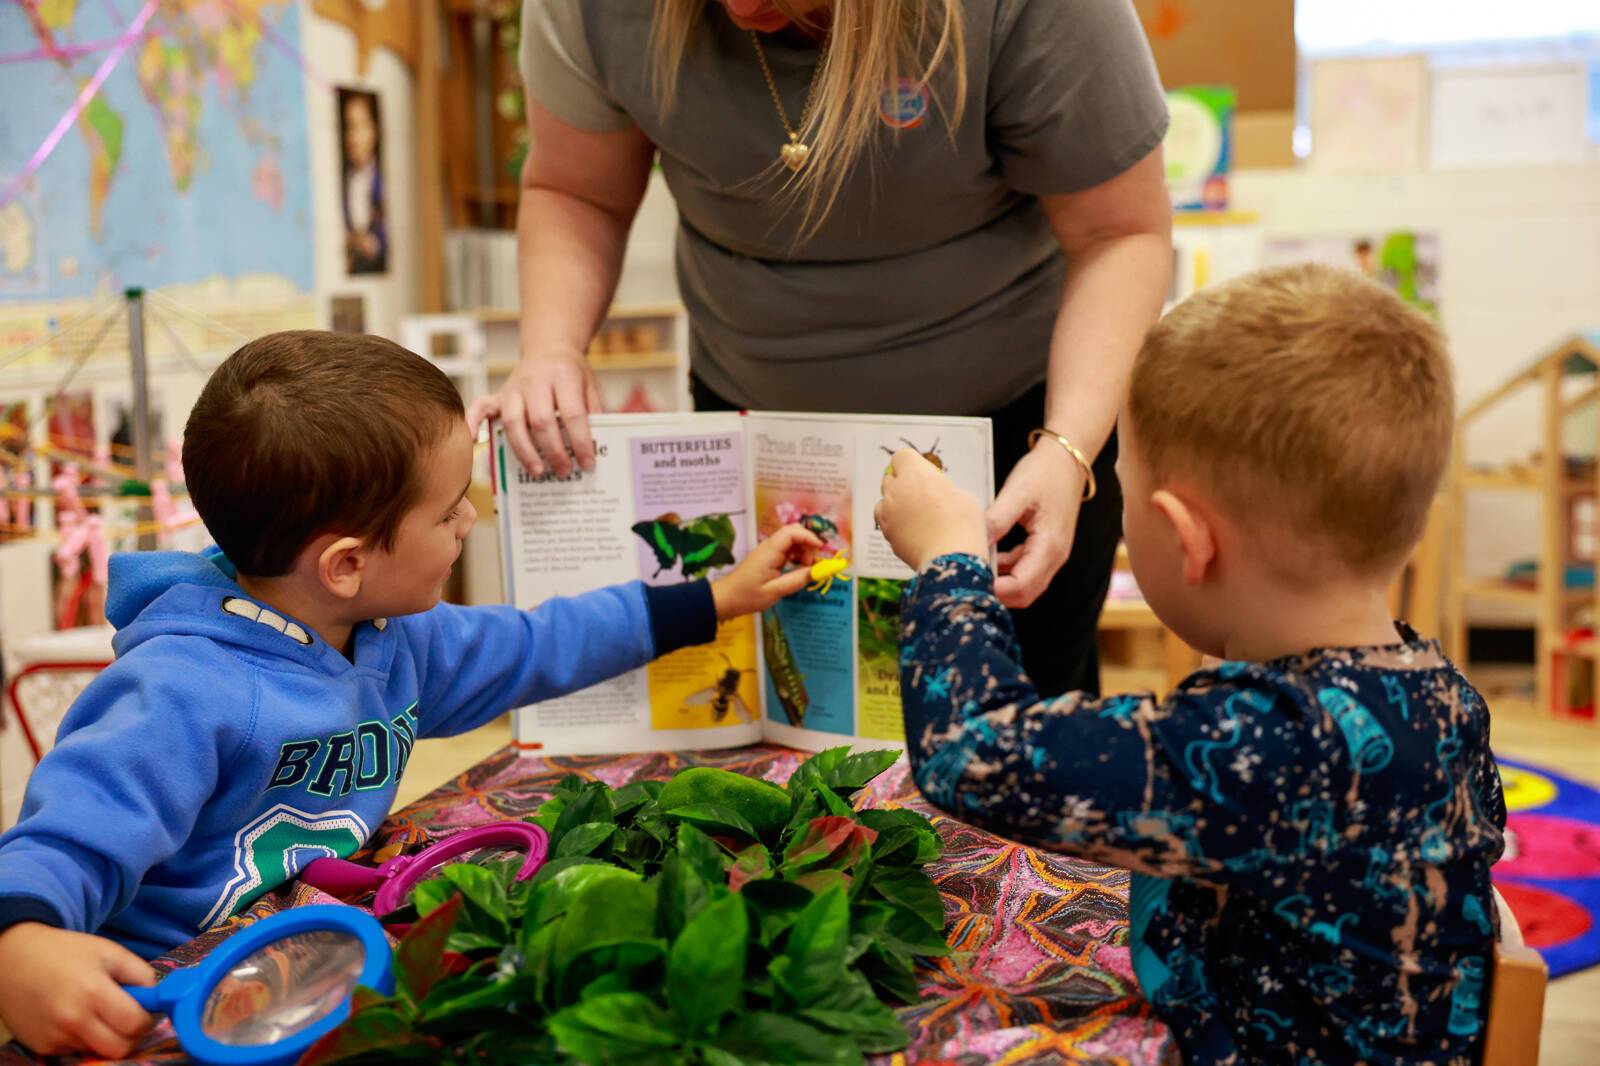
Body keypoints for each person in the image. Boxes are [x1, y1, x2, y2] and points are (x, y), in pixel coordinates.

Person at [0, 331, 821, 1058]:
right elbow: (63, 843)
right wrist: (21, 945)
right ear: (347, 564)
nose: (468, 520)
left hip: (309, 965)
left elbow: (541, 643)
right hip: (165, 995)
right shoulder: (178, 688)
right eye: (448, 509)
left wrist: (714, 599)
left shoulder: (395, 638)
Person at [875, 264, 1506, 1063]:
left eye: (1126, 498)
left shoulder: (1266, 743)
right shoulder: (1440, 693)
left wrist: (948, 560)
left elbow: (972, 752)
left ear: (1186, 539)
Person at [474, 0, 1174, 698]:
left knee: (1009, 748)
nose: (745, 8)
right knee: (774, 734)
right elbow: (576, 189)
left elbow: (1121, 233)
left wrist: (1066, 448)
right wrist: (551, 347)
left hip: (1014, 439)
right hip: (751, 431)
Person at [340, 90, 386, 274]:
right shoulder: (344, 181)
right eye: (349, 127)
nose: (353, 138)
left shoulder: (382, 182)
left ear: (373, 131)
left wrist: (369, 244)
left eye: (359, 126)